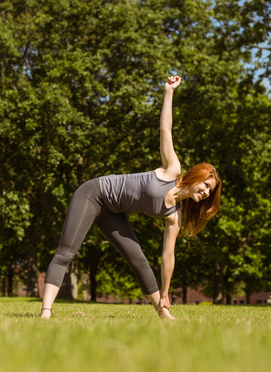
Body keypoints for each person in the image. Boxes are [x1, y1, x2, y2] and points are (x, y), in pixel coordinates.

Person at [40, 76, 221, 319]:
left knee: (138, 259)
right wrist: (169, 92)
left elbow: (168, 256)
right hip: (94, 193)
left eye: (210, 192)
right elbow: (165, 128)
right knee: (66, 253)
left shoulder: (174, 216)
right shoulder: (172, 170)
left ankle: (163, 313)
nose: (207, 192)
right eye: (206, 185)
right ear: (197, 176)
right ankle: (46, 312)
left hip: (112, 211)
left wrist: (166, 292)